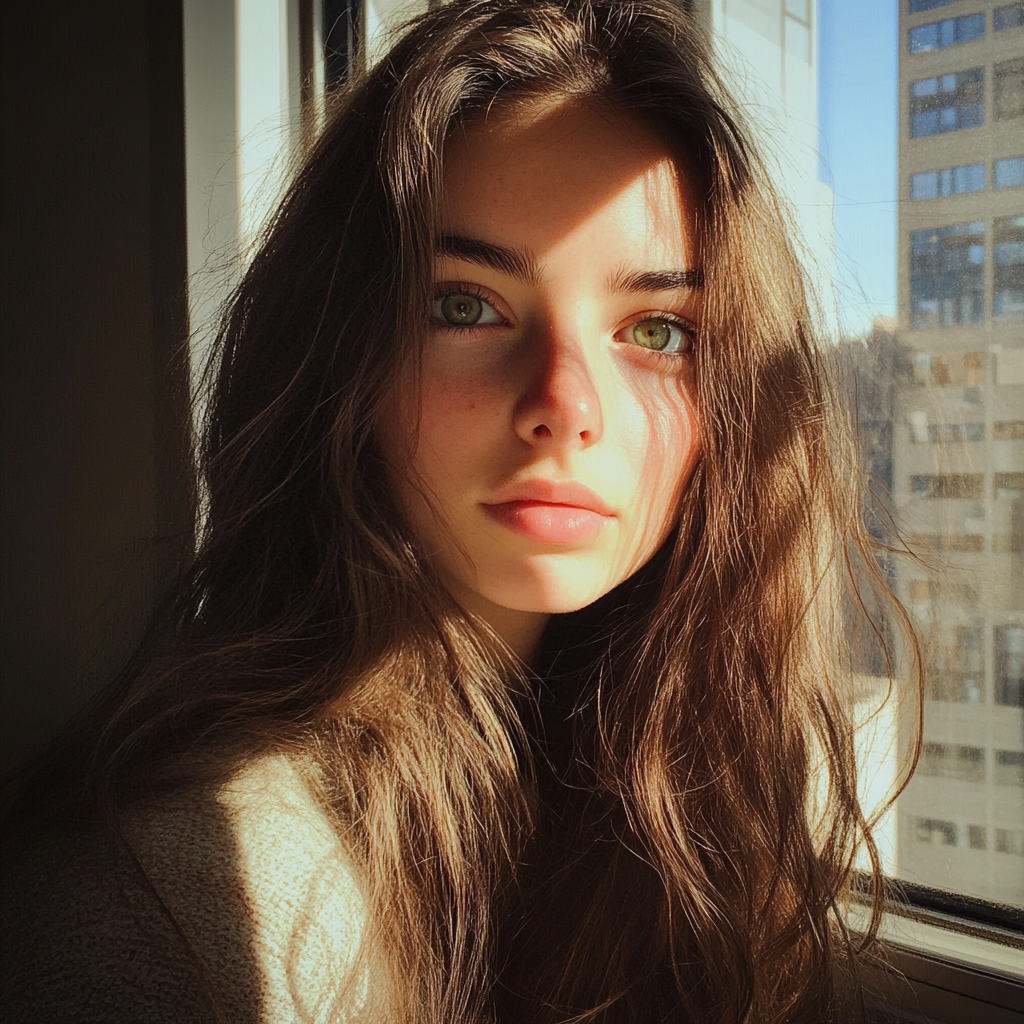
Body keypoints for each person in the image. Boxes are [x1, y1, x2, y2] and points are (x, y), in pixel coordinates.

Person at [2, 1, 917, 1021]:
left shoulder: (655, 783)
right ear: (337, 358)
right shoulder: (176, 906)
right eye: (465, 305)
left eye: (656, 328)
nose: (565, 408)